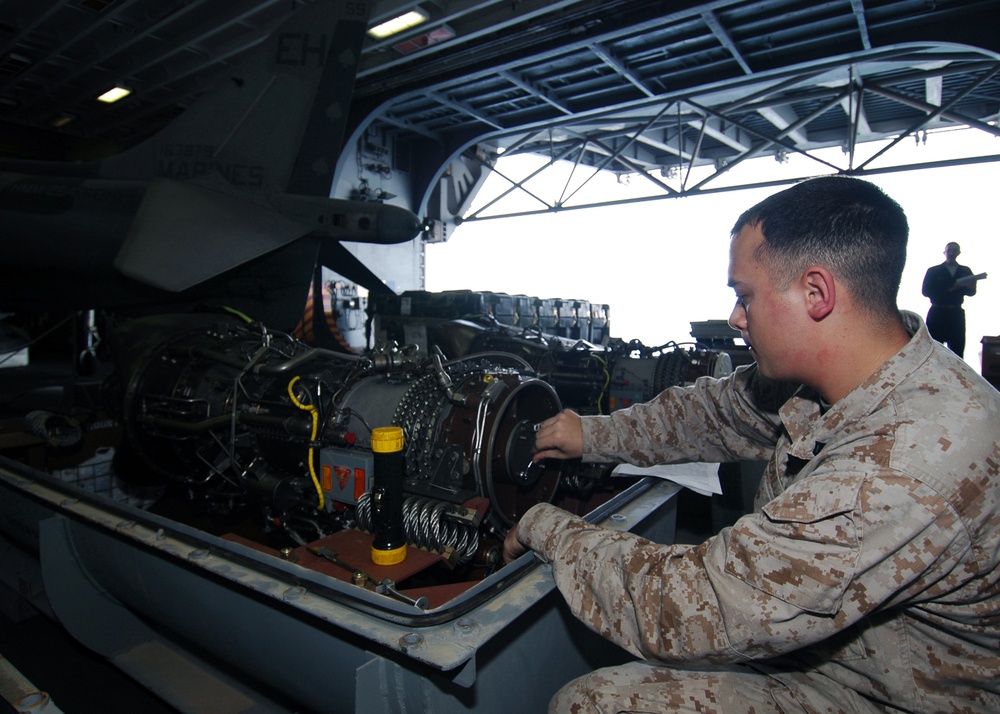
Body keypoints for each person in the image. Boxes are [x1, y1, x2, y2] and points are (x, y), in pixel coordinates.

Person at [503, 176, 1000, 714]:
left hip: (889, 696)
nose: (736, 318)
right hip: (836, 655)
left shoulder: (903, 464)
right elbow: (714, 412)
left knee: (593, 705)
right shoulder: (853, 371)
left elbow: (690, 607)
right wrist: (591, 434)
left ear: (816, 293)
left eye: (745, 297)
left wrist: (544, 527)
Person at [921, 241, 981, 357]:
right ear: (944, 252)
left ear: (959, 253)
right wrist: (952, 288)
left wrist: (971, 285)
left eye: (955, 250)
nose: (952, 253)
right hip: (937, 313)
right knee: (933, 350)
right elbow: (926, 291)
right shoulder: (934, 271)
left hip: (955, 313)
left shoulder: (965, 271)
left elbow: (971, 292)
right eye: (950, 250)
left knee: (957, 350)